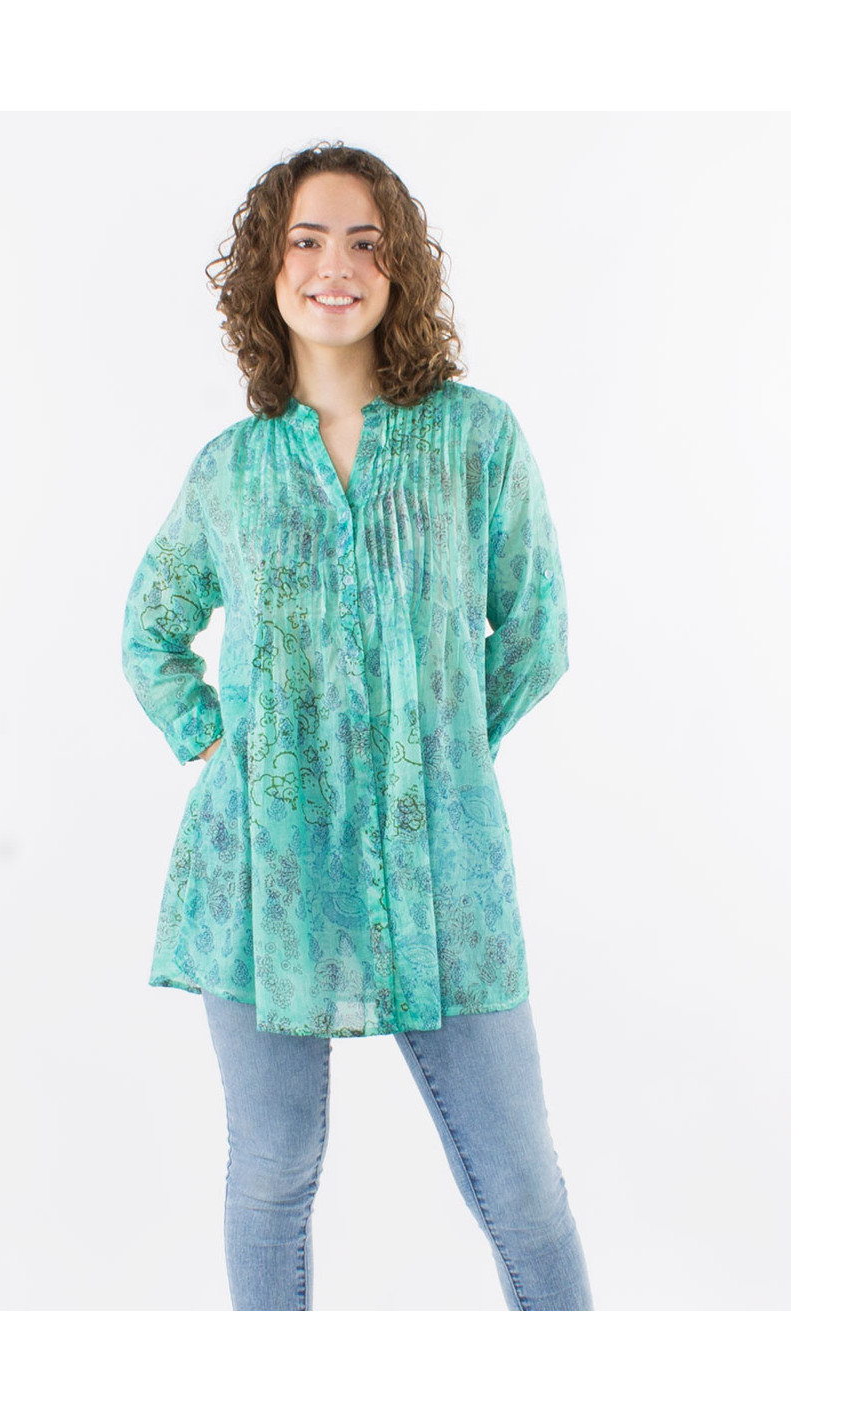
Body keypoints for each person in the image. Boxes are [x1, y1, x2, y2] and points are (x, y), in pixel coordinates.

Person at [121, 141, 594, 1310]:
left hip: (445, 876)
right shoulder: (230, 472)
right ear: (267, 270)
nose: (334, 266)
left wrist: (437, 758)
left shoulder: (473, 440)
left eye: (364, 243)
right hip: (261, 880)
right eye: (306, 240)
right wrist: (219, 745)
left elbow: (535, 629)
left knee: (522, 1188)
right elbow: (149, 631)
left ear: (399, 270)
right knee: (270, 1173)